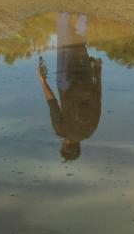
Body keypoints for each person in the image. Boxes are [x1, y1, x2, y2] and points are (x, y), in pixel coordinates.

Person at [36, 13, 102, 160]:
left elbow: (98, 99)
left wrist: (98, 73)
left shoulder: (90, 131)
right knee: (65, 46)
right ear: (65, 146)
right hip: (66, 84)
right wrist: (42, 80)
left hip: (87, 81)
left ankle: (83, 17)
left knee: (79, 48)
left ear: (78, 147)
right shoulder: (62, 130)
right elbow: (52, 103)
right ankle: (64, 14)